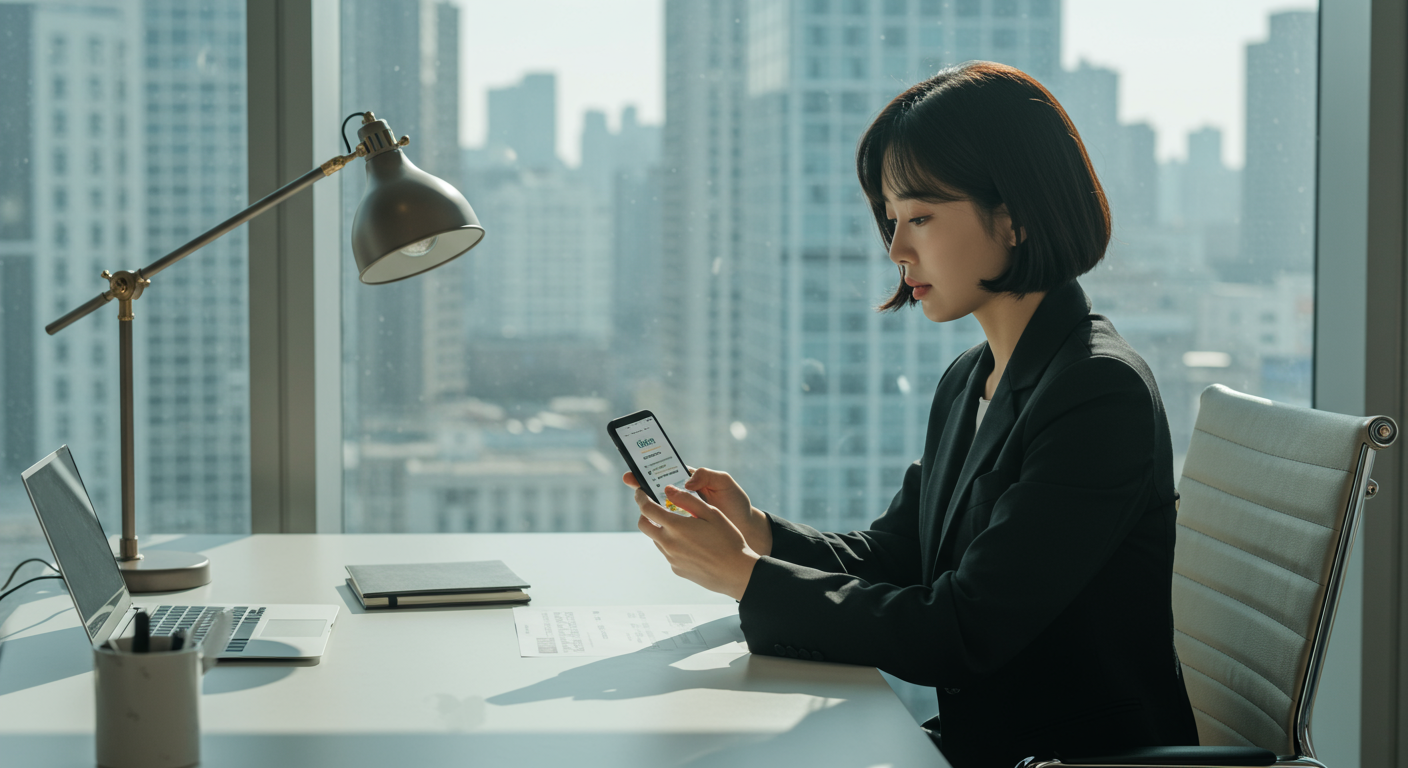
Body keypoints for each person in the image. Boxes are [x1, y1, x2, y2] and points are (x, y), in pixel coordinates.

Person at [624, 61, 1200, 767]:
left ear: (1014, 216)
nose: (896, 250)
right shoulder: (971, 379)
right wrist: (758, 534)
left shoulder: (1098, 392)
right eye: (892, 221)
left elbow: (963, 629)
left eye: (920, 217)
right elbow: (901, 558)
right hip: (980, 747)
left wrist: (746, 577)